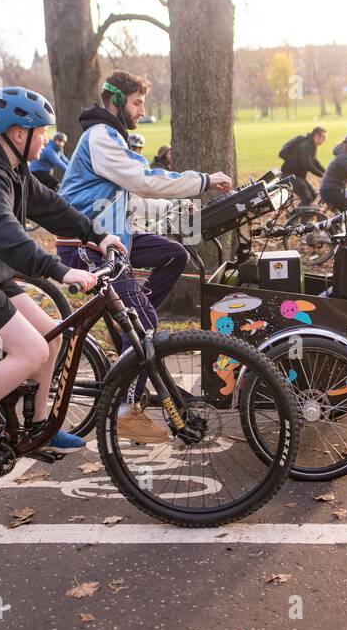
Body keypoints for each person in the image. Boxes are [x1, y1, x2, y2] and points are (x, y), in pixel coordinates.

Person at [0, 86, 125, 478]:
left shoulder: (13, 169)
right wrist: (59, 270)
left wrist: (96, 236)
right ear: (18, 134)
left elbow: (52, 207)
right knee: (30, 352)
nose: (46, 139)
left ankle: (38, 426)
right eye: (41, 131)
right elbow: (2, 231)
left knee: (52, 335)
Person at [59, 71, 231, 442]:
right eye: (137, 103)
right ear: (116, 101)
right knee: (144, 321)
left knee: (173, 255)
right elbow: (145, 180)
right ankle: (127, 409)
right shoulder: (101, 137)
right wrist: (202, 181)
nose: (141, 110)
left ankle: (132, 329)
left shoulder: (111, 138)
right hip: (85, 244)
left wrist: (175, 212)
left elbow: (131, 199)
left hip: (112, 237)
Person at [279, 126, 327, 206]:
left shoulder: (312, 145)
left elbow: (315, 162)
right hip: (290, 176)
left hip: (298, 176)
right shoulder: (306, 145)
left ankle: (299, 216)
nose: (325, 140)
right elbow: (307, 165)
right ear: (316, 136)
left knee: (313, 194)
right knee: (307, 198)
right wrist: (322, 175)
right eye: (323, 137)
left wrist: (327, 172)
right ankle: (296, 217)